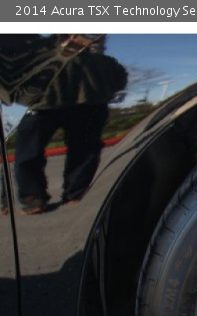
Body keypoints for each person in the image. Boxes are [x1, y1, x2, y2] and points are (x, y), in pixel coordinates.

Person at [12, 36, 127, 215]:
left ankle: (76, 191)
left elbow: (116, 74)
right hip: (45, 99)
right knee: (28, 149)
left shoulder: (98, 57)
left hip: (87, 97)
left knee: (85, 149)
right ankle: (32, 196)